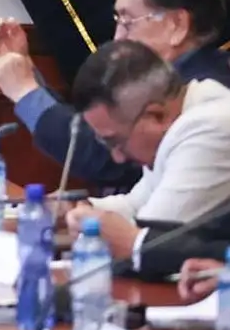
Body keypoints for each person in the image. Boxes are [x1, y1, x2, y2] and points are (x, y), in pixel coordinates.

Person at [0, 0, 230, 188]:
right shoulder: (178, 77)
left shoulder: (206, 95)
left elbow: (105, 157)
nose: (118, 37)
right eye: (117, 21)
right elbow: (95, 132)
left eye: (128, 21)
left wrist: (24, 90)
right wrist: (24, 67)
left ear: (176, 25)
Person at [60, 39, 230, 262]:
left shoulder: (210, 127)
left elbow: (147, 238)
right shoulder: (187, 110)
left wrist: (92, 224)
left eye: (115, 141)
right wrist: (75, 209)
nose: (117, 157)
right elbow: (137, 204)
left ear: (154, 116)